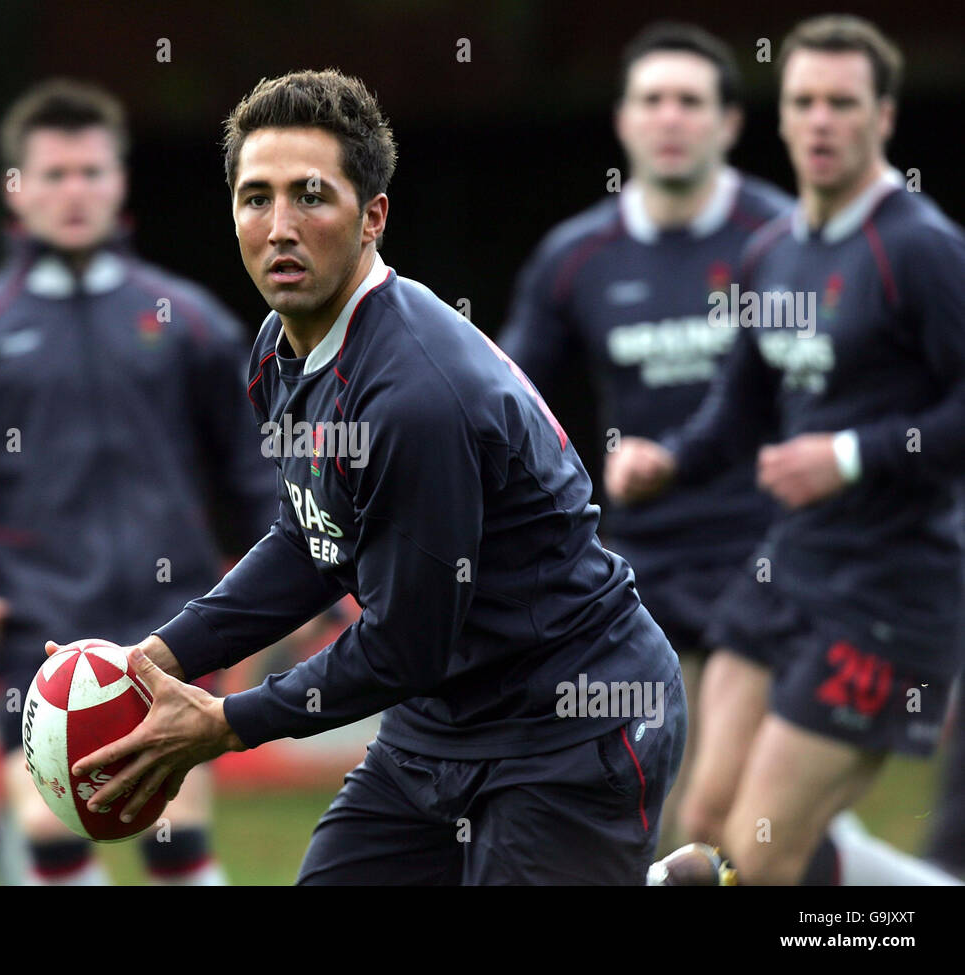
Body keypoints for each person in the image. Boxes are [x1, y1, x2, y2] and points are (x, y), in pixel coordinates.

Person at [57, 68, 687, 885]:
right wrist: (158, 657)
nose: (279, 226)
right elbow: (310, 539)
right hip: (438, 728)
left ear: (372, 217)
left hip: (568, 727)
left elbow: (403, 644)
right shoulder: (282, 352)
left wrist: (228, 721)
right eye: (256, 198)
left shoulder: (416, 396)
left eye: (310, 196)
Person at [0, 80, 274, 885]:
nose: (75, 191)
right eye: (55, 173)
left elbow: (254, 468)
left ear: (120, 182)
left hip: (169, 621)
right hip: (32, 625)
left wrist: (291, 585)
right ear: (16, 188)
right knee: (53, 828)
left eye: (92, 172)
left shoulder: (187, 318)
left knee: (173, 829)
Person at [610, 15, 965, 885]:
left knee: (759, 855)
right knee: (704, 820)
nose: (820, 121)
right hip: (789, 567)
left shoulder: (919, 248)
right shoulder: (771, 255)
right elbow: (738, 416)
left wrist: (850, 456)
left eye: (843, 102)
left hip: (891, 588)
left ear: (884, 116)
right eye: (803, 100)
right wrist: (668, 462)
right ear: (780, 117)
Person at [498, 22, 790, 854]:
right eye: (652, 100)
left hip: (767, 555)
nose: (671, 117)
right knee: (640, 808)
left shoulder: (780, 242)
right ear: (624, 121)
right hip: (636, 568)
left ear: (729, 123)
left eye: (691, 101)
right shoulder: (575, 256)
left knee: (729, 819)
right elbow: (507, 407)